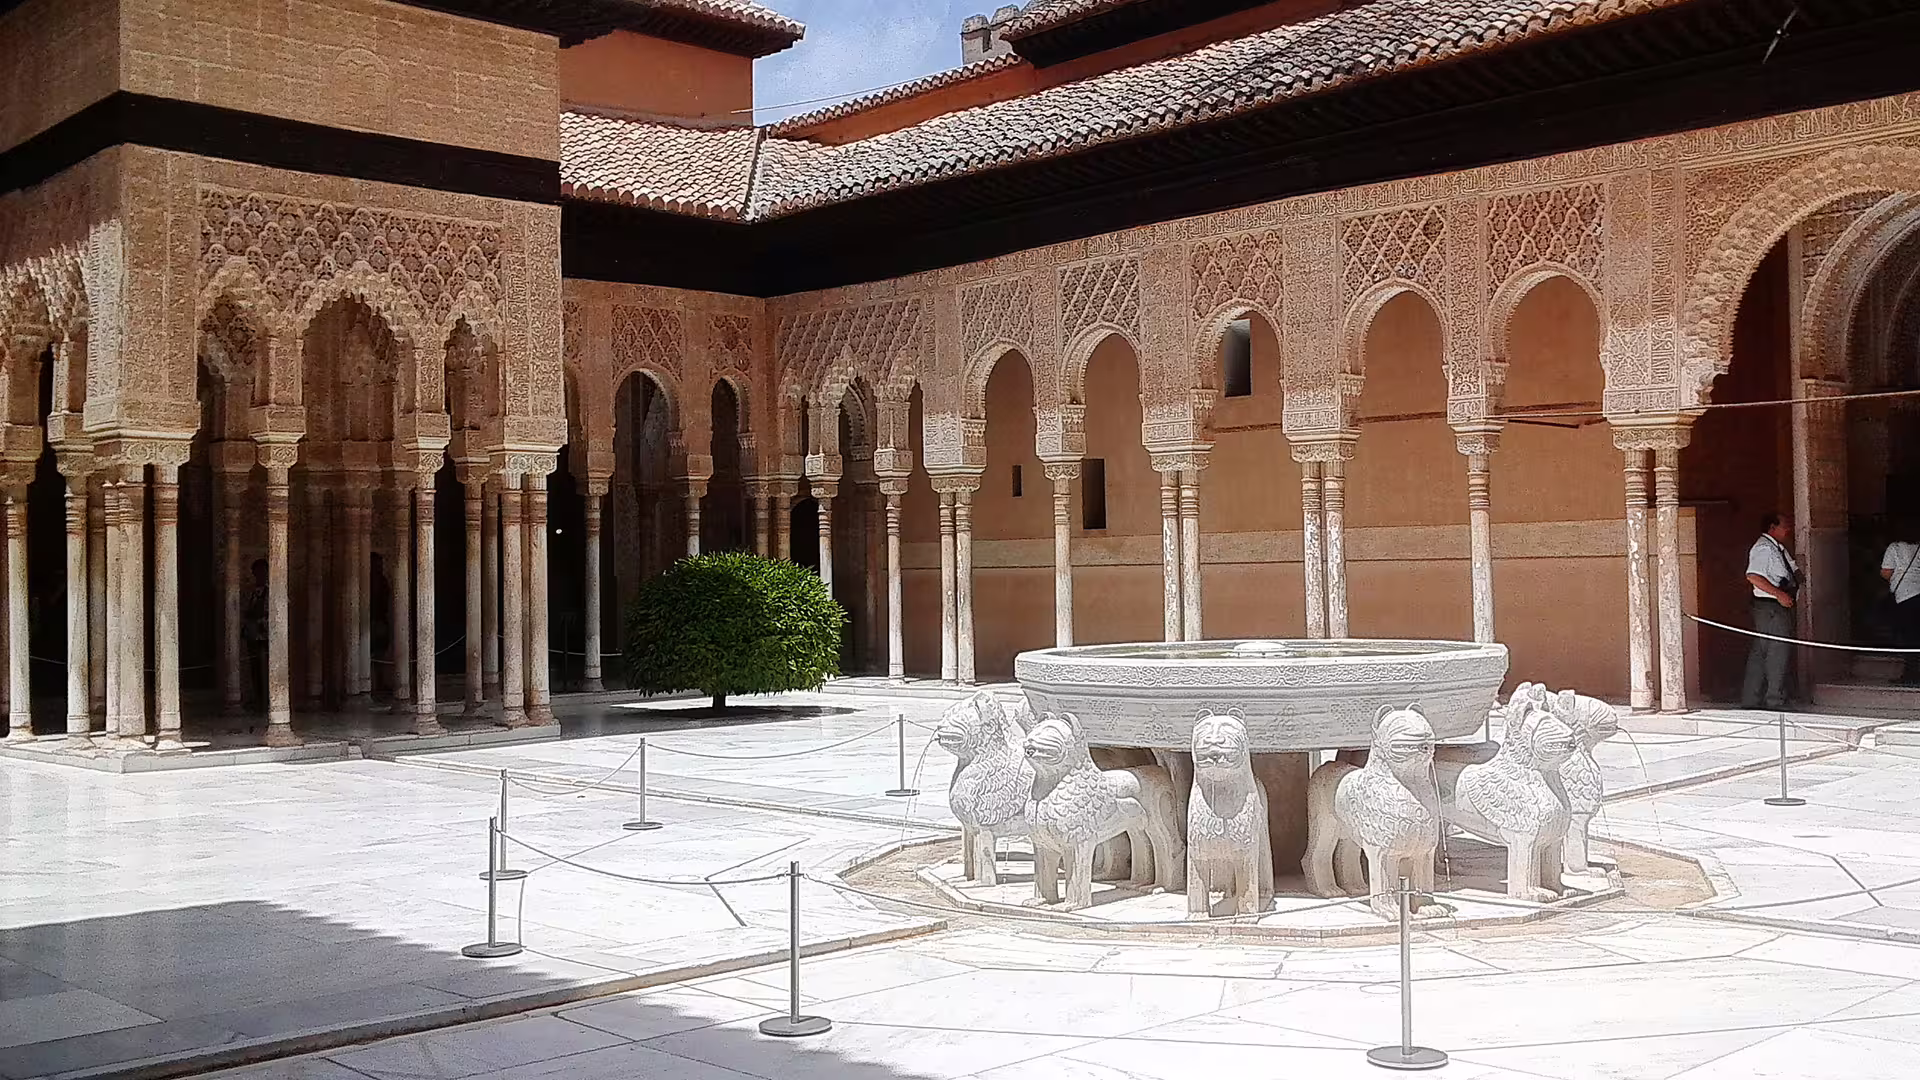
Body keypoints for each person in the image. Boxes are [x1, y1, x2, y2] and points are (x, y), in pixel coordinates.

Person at [1741, 512, 1799, 710]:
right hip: (1771, 606)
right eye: (1784, 526)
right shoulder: (1764, 549)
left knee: (1761, 652)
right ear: (1772, 528)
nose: (1788, 529)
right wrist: (1779, 594)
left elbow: (1793, 569)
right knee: (1777, 652)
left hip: (1775, 606)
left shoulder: (1778, 548)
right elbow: (1753, 576)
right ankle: (1775, 699)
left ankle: (1752, 698)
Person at [1883, 522, 1920, 684]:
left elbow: (1886, 572)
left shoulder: (1894, 548)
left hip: (1904, 597)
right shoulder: (1919, 548)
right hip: (1919, 593)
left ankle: (1911, 675)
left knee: (1908, 638)